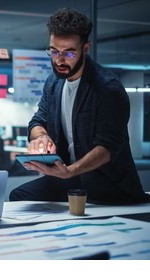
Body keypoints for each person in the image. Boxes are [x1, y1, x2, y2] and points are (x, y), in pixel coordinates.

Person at [9, 8, 149, 204]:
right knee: (20, 197)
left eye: (69, 53)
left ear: (85, 48)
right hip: (72, 178)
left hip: (107, 183)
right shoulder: (54, 82)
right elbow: (38, 120)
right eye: (54, 51)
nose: (59, 60)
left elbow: (107, 148)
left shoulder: (108, 87)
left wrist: (70, 171)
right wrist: (41, 137)